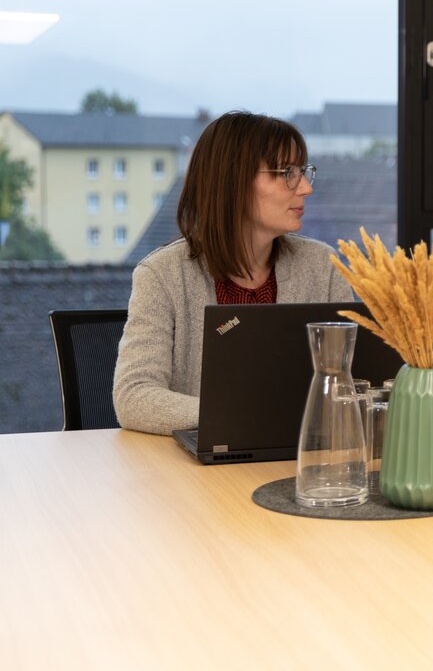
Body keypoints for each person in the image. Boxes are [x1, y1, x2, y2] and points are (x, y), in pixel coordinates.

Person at [113, 111, 353, 435]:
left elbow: (347, 384)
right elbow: (133, 397)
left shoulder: (323, 266)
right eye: (287, 173)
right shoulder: (161, 275)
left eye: (304, 171)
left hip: (298, 463)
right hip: (200, 473)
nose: (306, 188)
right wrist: (237, 414)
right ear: (234, 182)